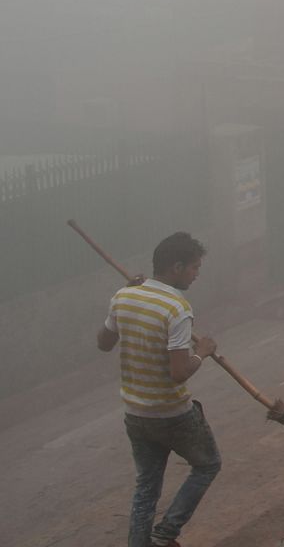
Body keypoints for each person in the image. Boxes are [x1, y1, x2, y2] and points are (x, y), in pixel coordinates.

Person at [97, 232, 221, 547]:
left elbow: (103, 343)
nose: (197, 274)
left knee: (147, 485)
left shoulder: (124, 296)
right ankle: (165, 534)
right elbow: (179, 373)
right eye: (194, 268)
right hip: (172, 414)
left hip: (136, 414)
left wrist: (121, 302)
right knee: (208, 464)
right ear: (176, 267)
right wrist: (202, 353)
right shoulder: (177, 308)